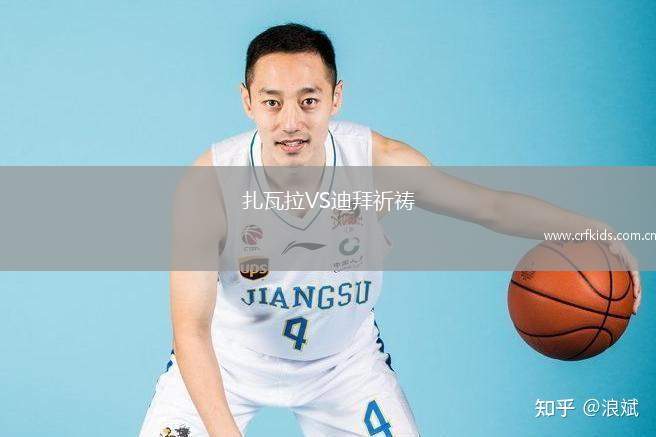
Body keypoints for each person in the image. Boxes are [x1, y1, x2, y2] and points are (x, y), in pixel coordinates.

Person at [139, 23, 642, 437]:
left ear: (336, 98)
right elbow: (191, 329)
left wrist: (588, 228)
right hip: (228, 362)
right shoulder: (210, 185)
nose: (291, 121)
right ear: (247, 102)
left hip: (342, 366)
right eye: (272, 102)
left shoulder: (378, 163)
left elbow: (487, 207)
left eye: (309, 100)